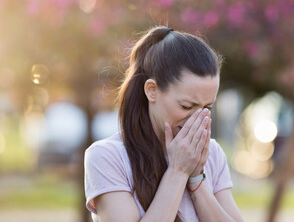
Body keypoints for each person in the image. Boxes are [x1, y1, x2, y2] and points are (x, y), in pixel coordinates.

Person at [84, 26, 244, 222]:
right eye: (187, 106)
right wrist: (178, 170)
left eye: (207, 108)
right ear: (152, 90)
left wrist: (196, 180)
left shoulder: (212, 154)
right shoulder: (107, 156)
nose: (197, 119)